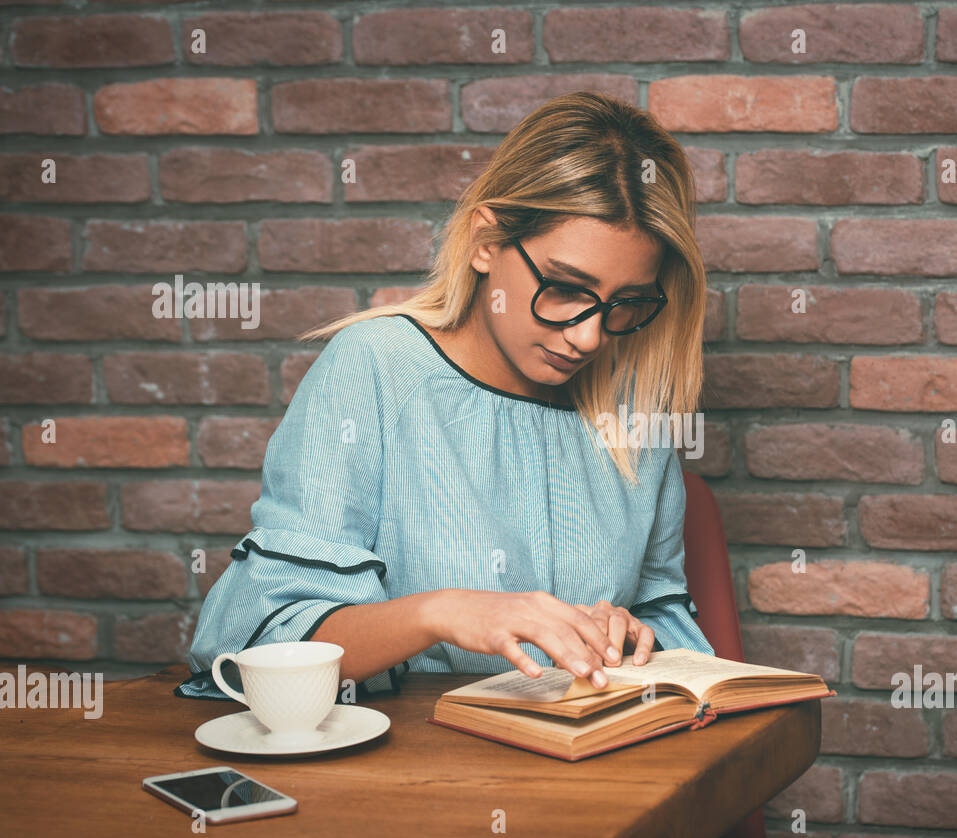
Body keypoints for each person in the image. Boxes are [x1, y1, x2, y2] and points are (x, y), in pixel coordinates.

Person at [175, 91, 714, 703]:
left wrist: (634, 638)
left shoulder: (633, 409)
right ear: (487, 241)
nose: (590, 336)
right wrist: (442, 612)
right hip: (407, 775)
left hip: (586, 773)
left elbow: (665, 616)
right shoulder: (377, 369)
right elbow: (263, 645)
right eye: (565, 288)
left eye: (626, 303)